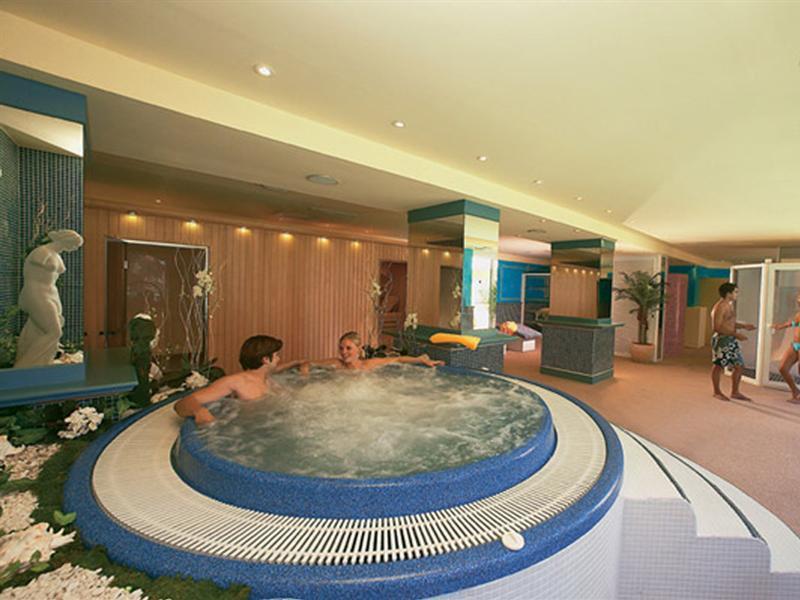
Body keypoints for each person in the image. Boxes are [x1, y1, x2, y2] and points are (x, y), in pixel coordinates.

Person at [174, 334, 302, 425]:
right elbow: (182, 403)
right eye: (277, 355)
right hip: (246, 431)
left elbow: (279, 369)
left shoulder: (268, 380)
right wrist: (199, 411)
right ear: (266, 359)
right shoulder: (235, 382)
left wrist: (298, 363)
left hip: (268, 426)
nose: (279, 359)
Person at [15, 229, 84, 368]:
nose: (75, 248)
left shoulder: (56, 256)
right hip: (36, 293)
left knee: (37, 330)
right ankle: (25, 365)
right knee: (54, 331)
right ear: (66, 240)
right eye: (75, 244)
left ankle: (43, 362)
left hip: (51, 293)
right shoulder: (41, 253)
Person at [710, 282, 756, 401]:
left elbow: (729, 323)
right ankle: (716, 392)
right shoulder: (720, 307)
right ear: (728, 293)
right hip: (722, 340)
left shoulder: (729, 305)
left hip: (731, 339)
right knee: (718, 366)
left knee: (739, 366)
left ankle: (735, 392)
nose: (737, 294)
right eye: (735, 292)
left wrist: (744, 326)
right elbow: (717, 327)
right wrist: (736, 334)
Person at [311, 331, 443, 371]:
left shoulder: (368, 365)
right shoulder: (336, 364)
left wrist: (420, 359)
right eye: (341, 348)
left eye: (348, 348)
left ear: (359, 348)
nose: (343, 352)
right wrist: (305, 373)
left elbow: (397, 359)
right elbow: (307, 363)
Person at [770, 291, 800, 404]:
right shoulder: (798, 314)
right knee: (783, 368)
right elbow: (793, 323)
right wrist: (779, 326)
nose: (798, 299)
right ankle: (795, 391)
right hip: (795, 344)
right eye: (798, 297)